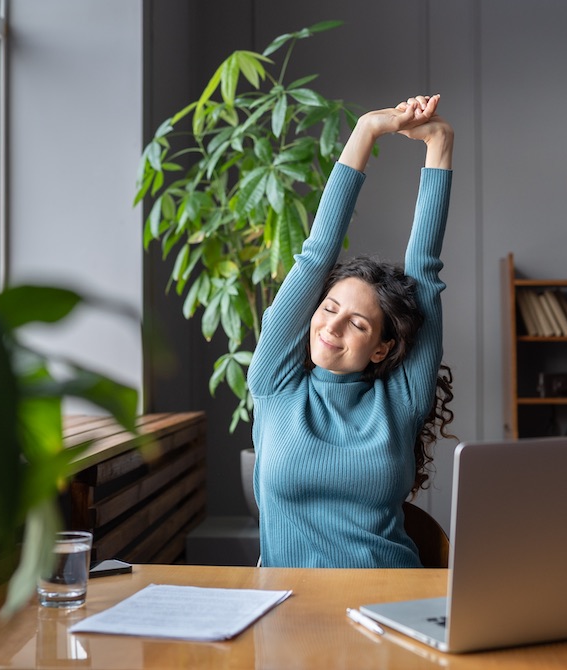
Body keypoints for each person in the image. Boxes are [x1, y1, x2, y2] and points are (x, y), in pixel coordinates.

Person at [248, 94, 455, 568]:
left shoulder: (401, 401)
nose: (331, 326)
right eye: (329, 307)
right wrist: (366, 130)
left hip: (390, 600)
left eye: (358, 323)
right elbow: (316, 253)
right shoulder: (275, 383)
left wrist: (440, 143)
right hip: (288, 610)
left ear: (382, 347)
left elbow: (424, 272)